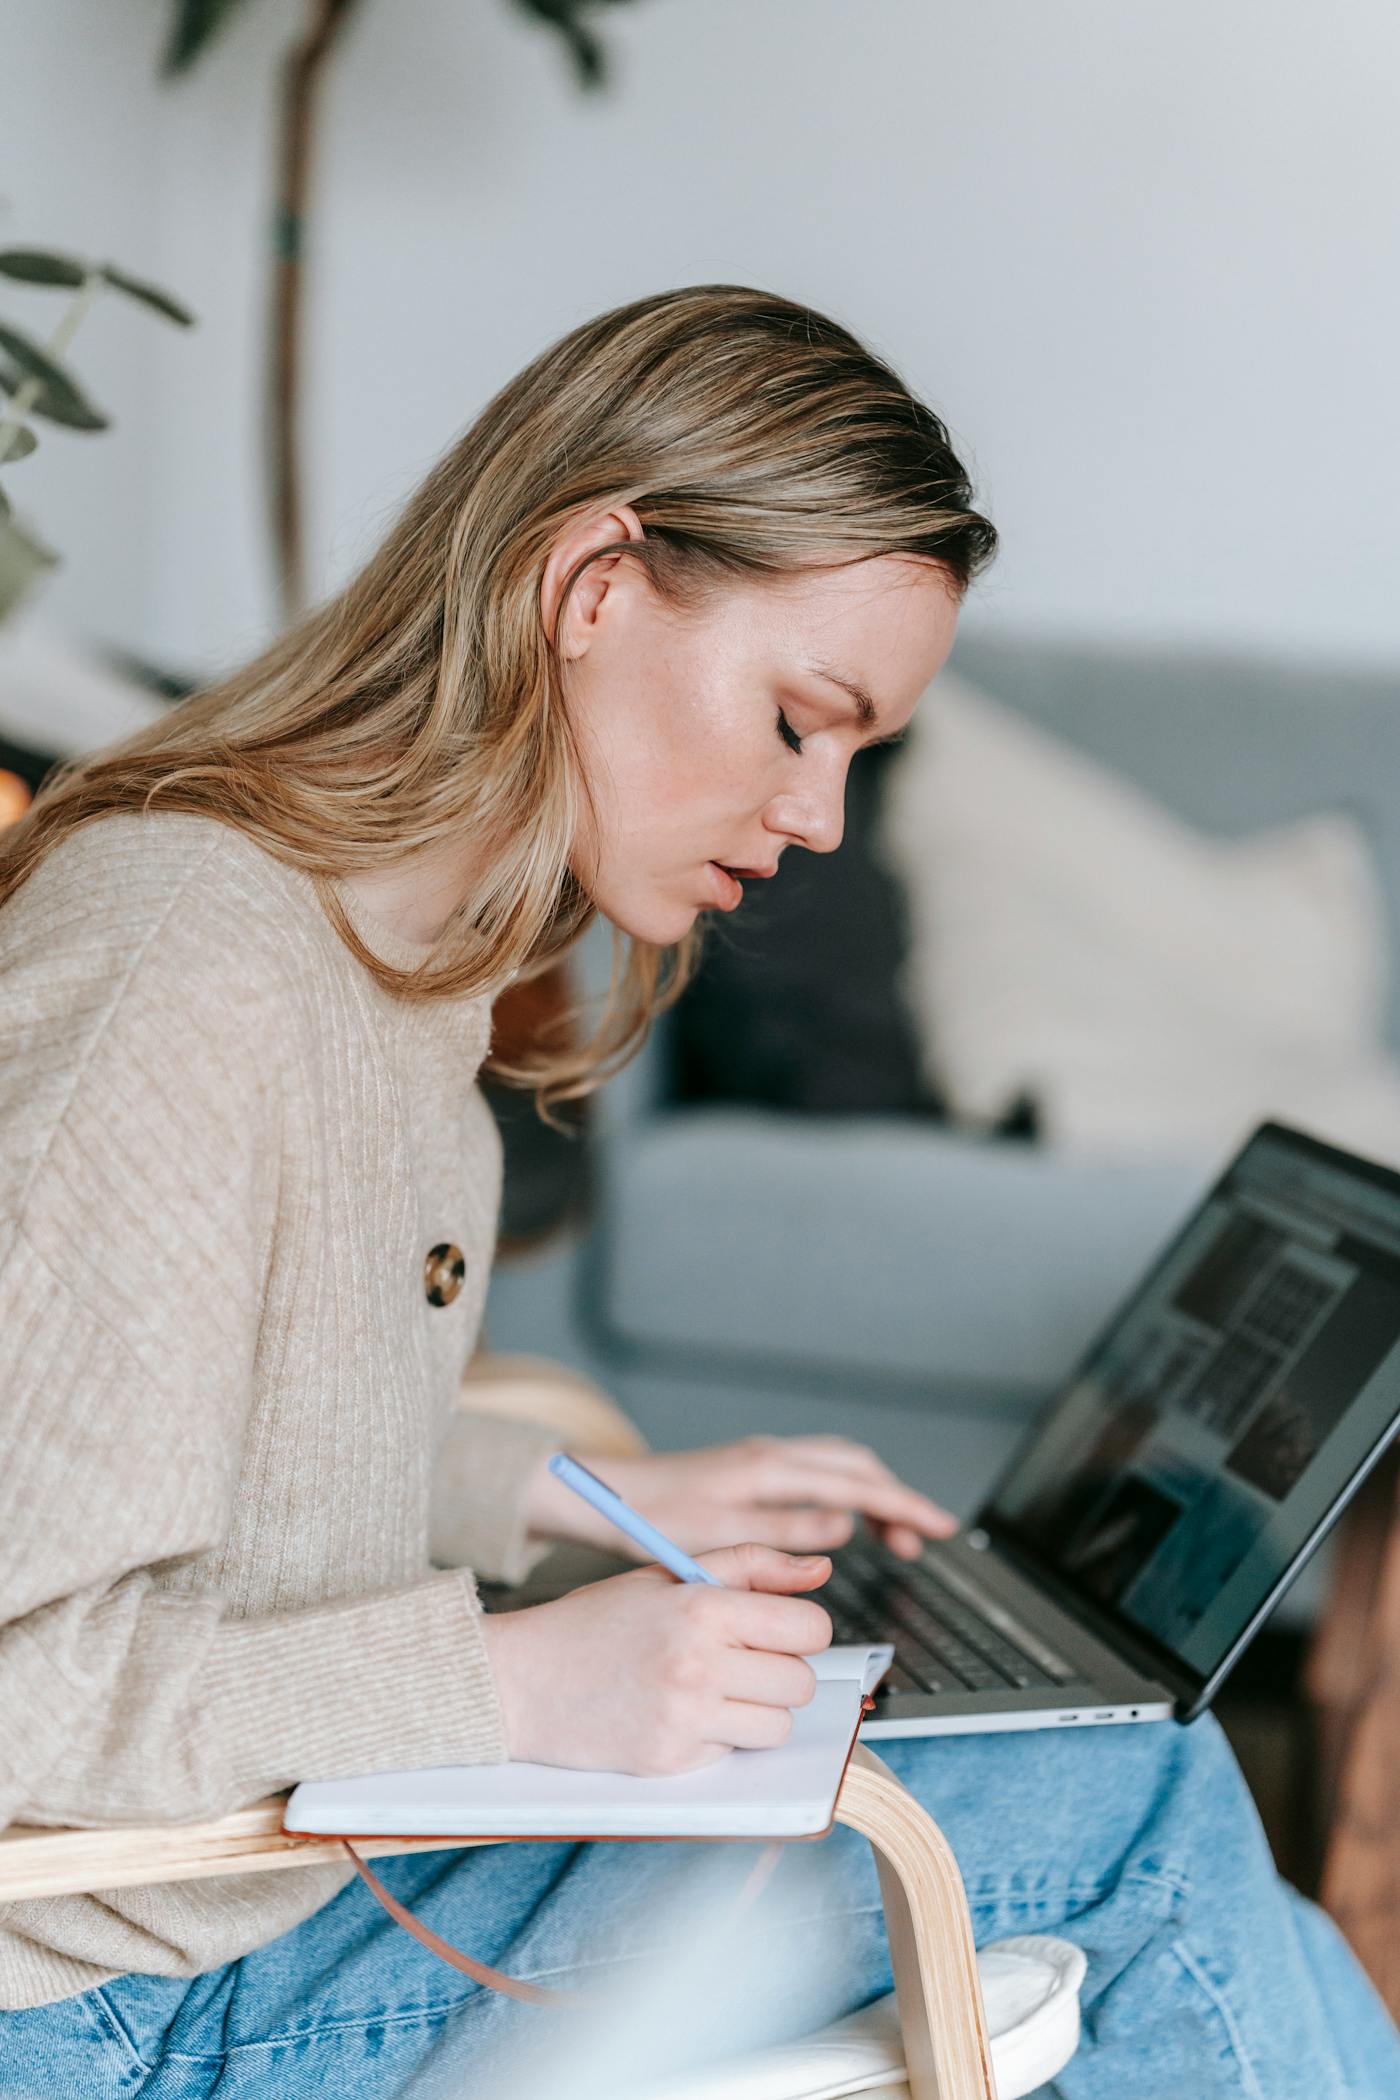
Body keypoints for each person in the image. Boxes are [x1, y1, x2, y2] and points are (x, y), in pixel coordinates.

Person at [0, 285, 1394, 2100]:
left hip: (257, 1896)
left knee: (1157, 1830)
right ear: (591, 586)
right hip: (116, 1999)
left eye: (856, 759)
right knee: (1129, 1810)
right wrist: (524, 1691)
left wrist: (581, 1490)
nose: (818, 819)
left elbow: (203, 1430)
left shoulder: (383, 968)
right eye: (800, 720)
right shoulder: (184, 969)